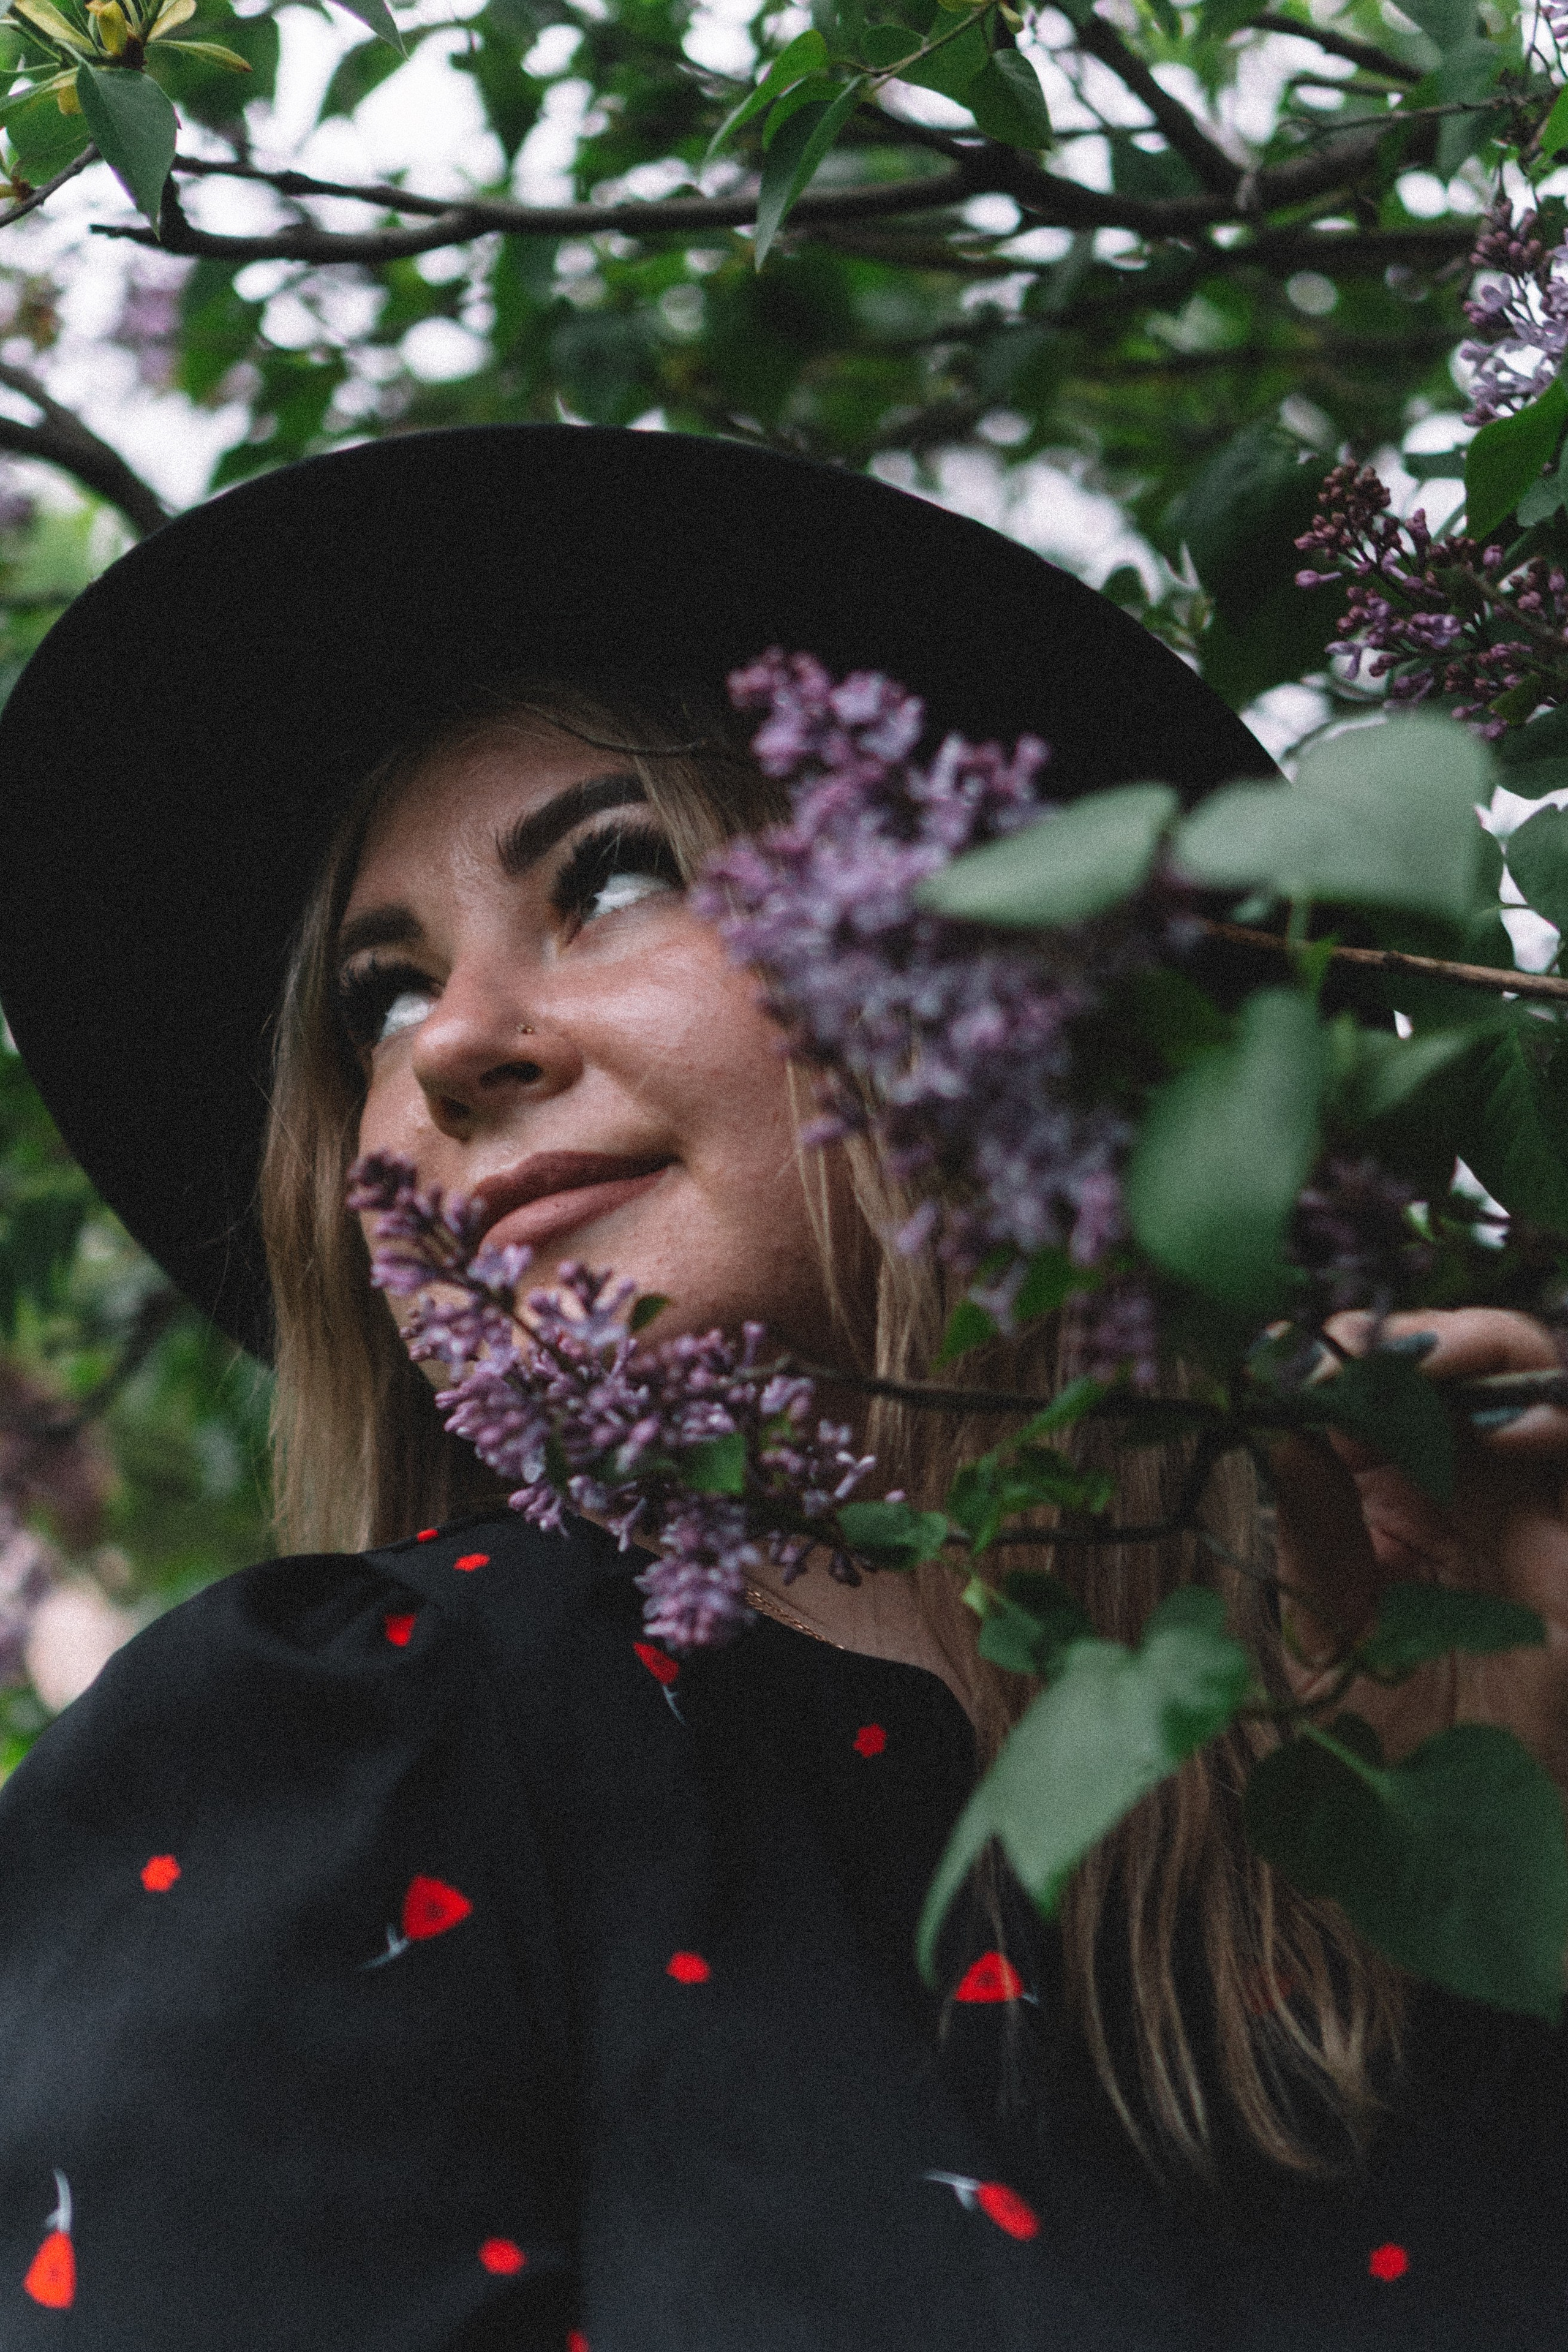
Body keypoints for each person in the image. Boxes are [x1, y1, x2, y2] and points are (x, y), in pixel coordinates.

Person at [0, 424, 1561, 2352]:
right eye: (377, 999)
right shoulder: (357, 1757)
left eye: (614, 875)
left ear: (993, 994)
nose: (453, 1046)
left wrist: (1504, 1824)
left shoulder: (1377, 1803)